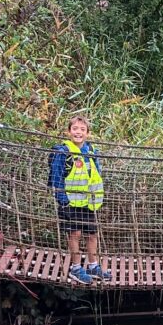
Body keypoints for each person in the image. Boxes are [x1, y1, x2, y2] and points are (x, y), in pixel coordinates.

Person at [49, 114, 111, 284]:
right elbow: (56, 177)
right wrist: (62, 199)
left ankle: (93, 266)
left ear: (88, 133)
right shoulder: (63, 152)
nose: (78, 132)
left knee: (92, 234)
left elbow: (96, 174)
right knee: (74, 233)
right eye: (75, 128)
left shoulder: (91, 151)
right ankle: (76, 268)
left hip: (88, 202)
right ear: (68, 131)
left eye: (82, 129)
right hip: (70, 201)